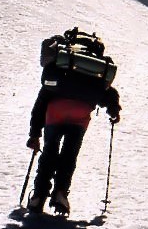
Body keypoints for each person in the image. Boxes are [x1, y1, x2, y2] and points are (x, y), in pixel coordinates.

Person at [26, 31, 121, 215]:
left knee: (50, 152)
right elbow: (107, 94)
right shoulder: (94, 70)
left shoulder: (60, 67)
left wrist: (34, 134)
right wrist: (114, 110)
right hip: (81, 115)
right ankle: (61, 193)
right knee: (69, 155)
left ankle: (38, 195)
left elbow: (41, 102)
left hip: (56, 112)